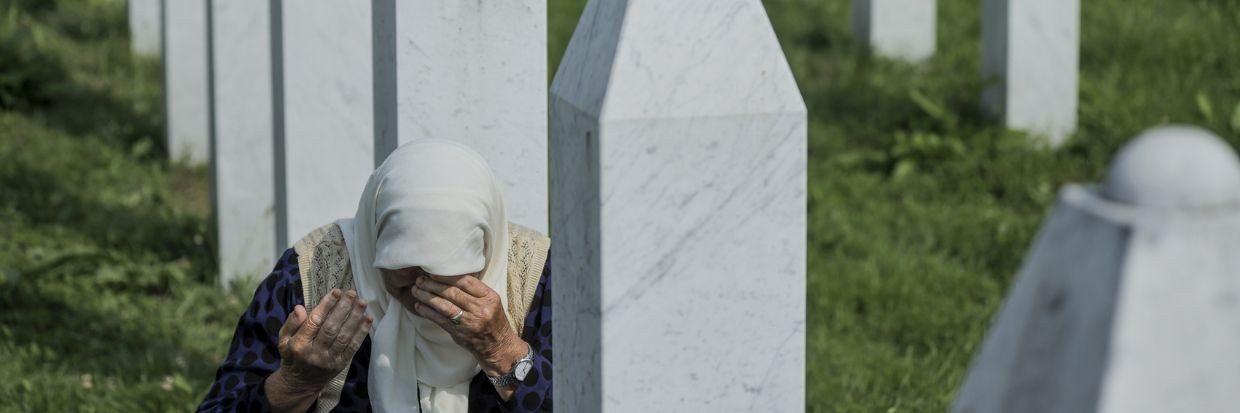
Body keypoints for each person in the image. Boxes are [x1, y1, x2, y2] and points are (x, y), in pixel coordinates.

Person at [197, 140, 553, 412]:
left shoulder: (533, 278)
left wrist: (503, 350)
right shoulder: (313, 274)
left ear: (487, 248)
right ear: (375, 239)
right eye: (406, 261)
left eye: (448, 266)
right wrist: (294, 384)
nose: (423, 283)